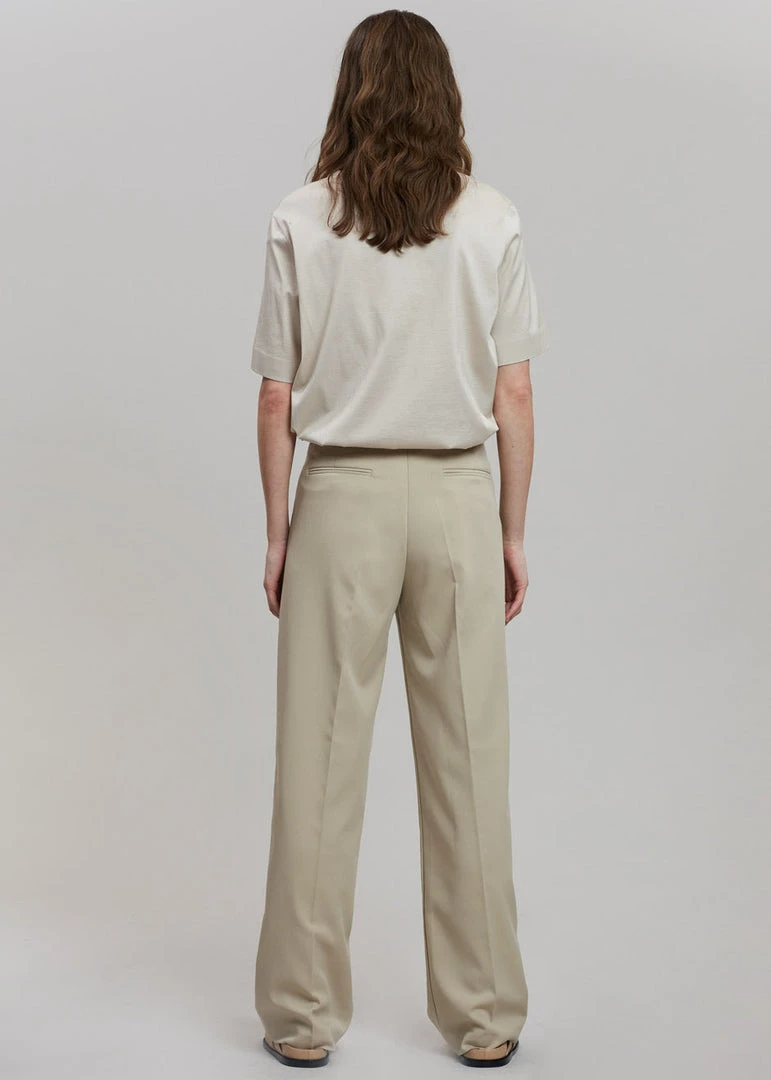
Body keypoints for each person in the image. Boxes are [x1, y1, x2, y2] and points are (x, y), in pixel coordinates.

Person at [250, 9, 547, 1071]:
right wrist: (512, 532)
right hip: (460, 496)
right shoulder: (492, 217)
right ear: (442, 94)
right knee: (469, 764)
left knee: (318, 763)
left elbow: (277, 396)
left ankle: (300, 1016)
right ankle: (485, 1015)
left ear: (352, 92)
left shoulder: (301, 217)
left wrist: (279, 534)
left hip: (341, 499)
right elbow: (514, 394)